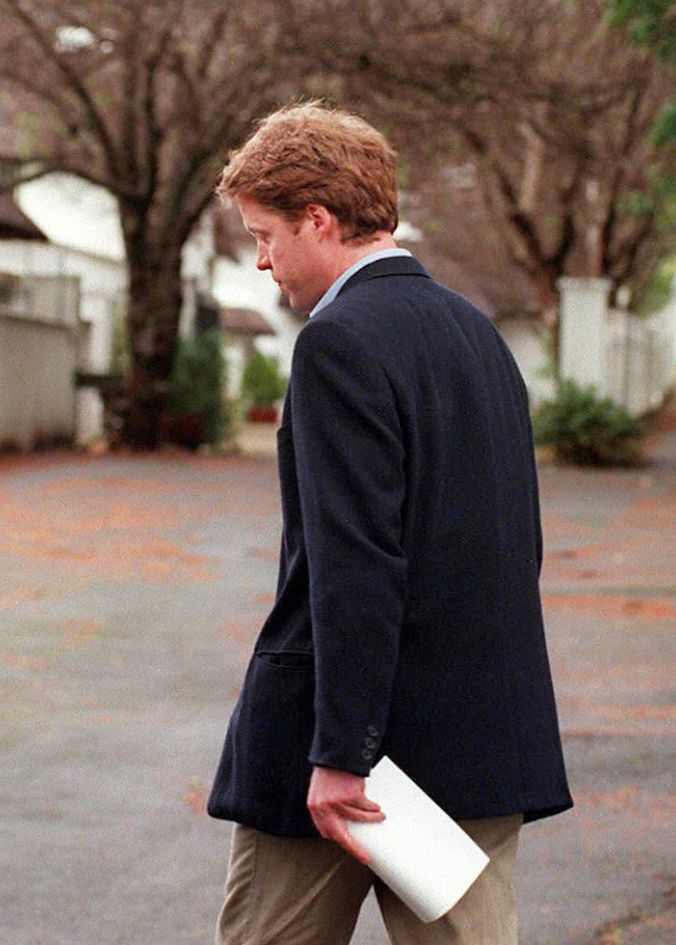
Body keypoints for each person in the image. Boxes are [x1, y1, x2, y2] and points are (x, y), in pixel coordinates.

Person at [207, 101, 572, 945]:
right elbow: (514, 549)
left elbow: (356, 561)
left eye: (265, 236)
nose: (263, 262)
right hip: (479, 742)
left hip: (342, 764)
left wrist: (342, 751)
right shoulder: (479, 337)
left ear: (318, 221)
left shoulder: (339, 341)